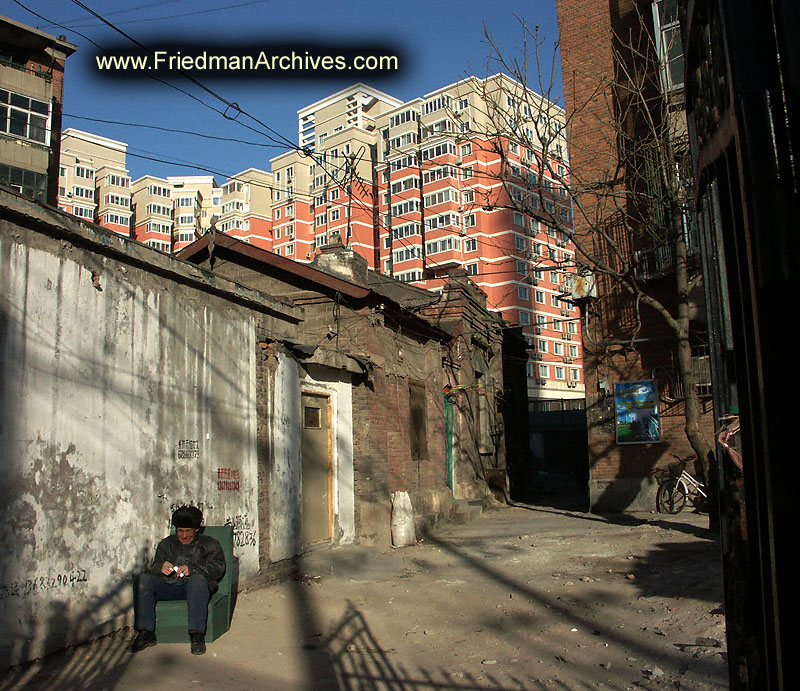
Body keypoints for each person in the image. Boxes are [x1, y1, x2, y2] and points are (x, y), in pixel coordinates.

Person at [129, 505, 226, 655]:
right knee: (143, 580)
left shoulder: (209, 544)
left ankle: (197, 635)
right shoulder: (166, 544)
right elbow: (154, 566)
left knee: (198, 581)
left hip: (195, 589)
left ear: (196, 530)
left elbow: (218, 568)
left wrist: (193, 569)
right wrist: (160, 567)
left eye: (188, 531)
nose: (184, 535)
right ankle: (145, 632)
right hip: (169, 586)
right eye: (181, 531)